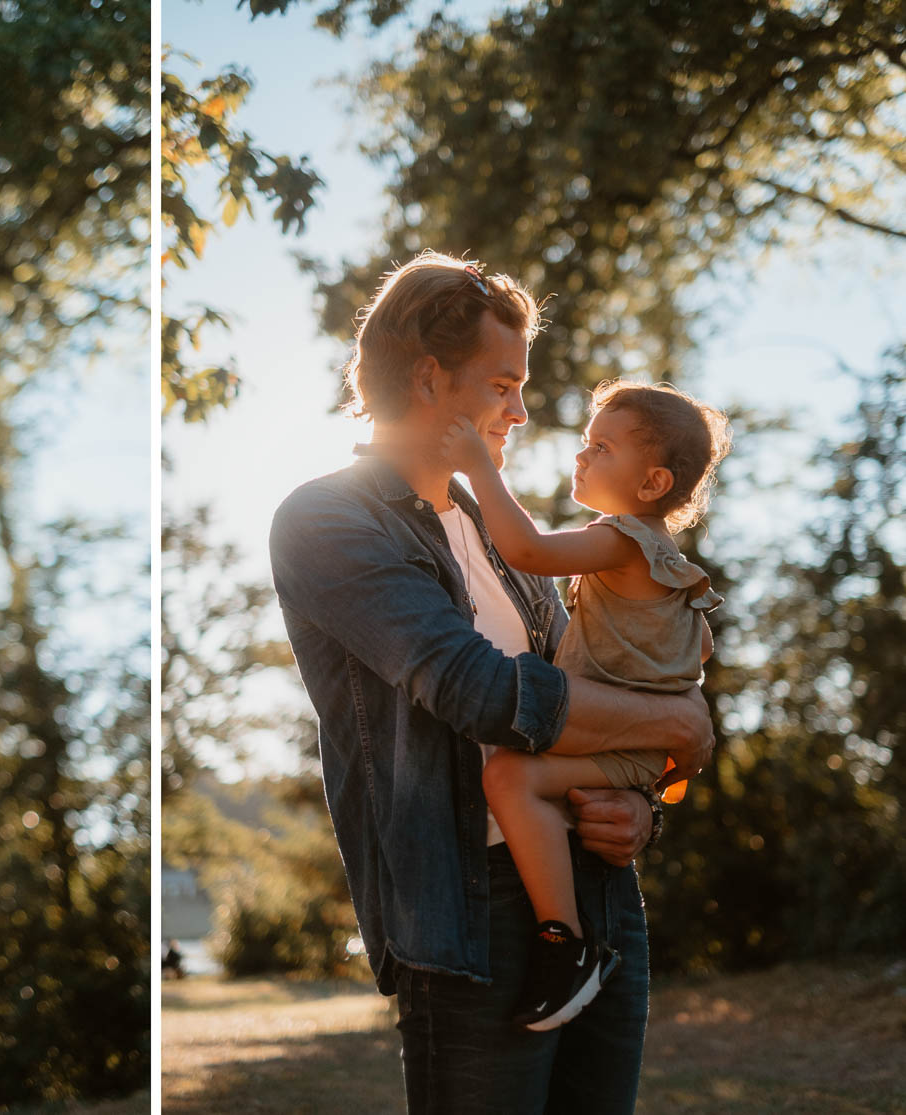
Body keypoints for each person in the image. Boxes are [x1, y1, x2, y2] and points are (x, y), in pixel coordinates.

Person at [269, 251, 715, 1114]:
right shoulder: (327, 519)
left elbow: (577, 687)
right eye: (504, 383)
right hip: (472, 910)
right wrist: (676, 722)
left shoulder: (495, 531)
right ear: (432, 377)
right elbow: (480, 691)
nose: (520, 408)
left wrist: (641, 804)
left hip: (596, 888)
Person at [441, 379, 731, 1031]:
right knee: (521, 778)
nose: (582, 456)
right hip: (633, 746)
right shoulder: (661, 559)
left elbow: (528, 550)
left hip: (617, 743)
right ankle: (569, 935)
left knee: (509, 775)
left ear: (653, 482)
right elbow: (701, 641)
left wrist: (478, 465)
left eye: (601, 447)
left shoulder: (623, 538)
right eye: (584, 442)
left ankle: (564, 941)